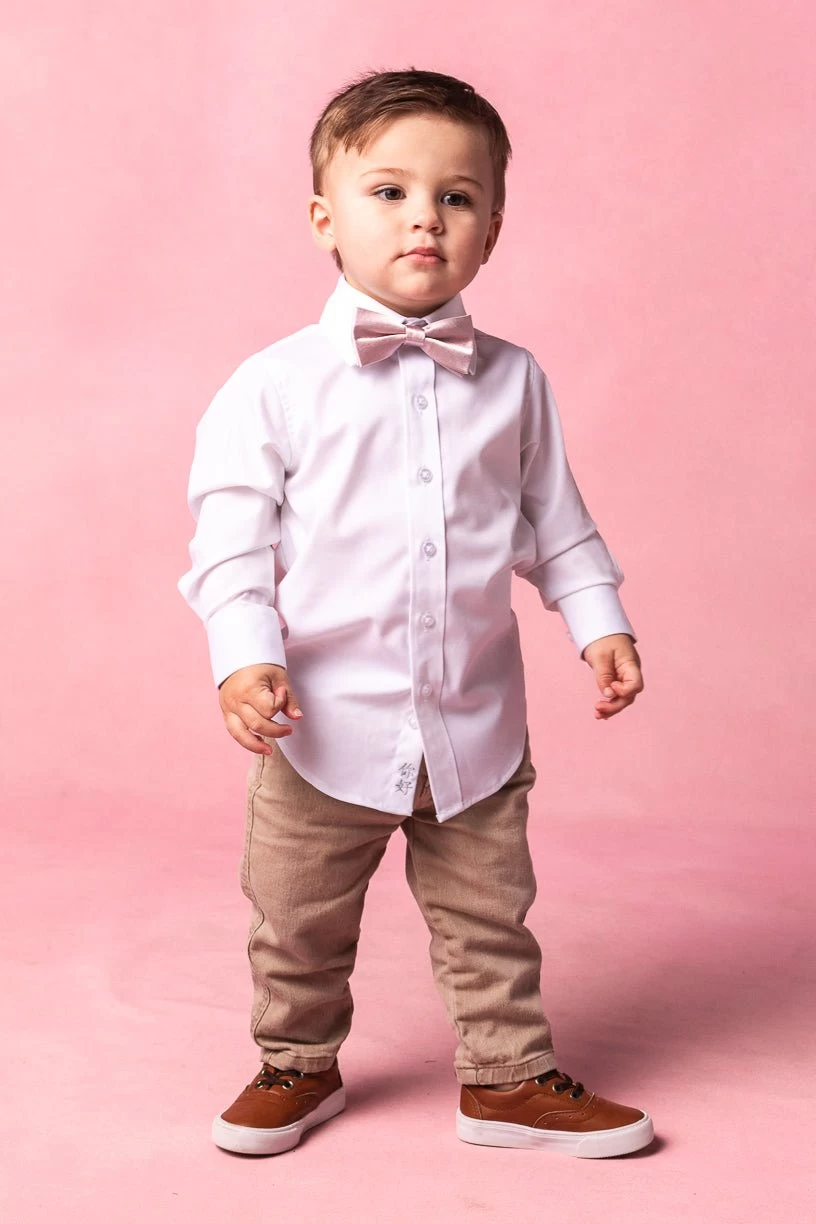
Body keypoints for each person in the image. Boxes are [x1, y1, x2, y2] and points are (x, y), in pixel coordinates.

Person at [178, 68, 654, 1159]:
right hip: (322, 729)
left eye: (457, 197)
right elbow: (231, 546)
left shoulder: (516, 381)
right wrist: (243, 658)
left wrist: (601, 623)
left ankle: (508, 1079)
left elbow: (555, 523)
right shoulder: (272, 386)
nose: (425, 218)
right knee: (295, 916)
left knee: (492, 917)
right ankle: (296, 1062)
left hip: (472, 723)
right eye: (389, 192)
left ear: (493, 228)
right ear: (324, 219)